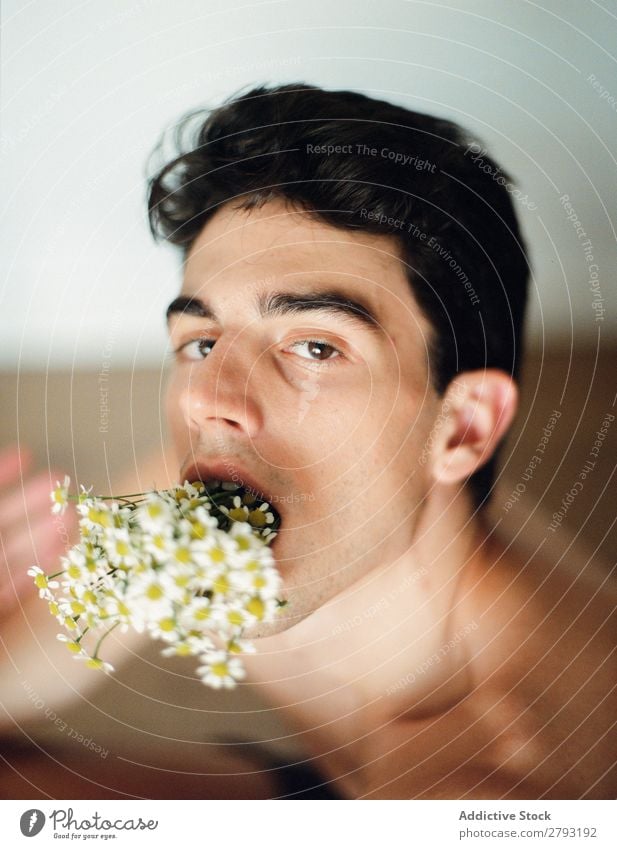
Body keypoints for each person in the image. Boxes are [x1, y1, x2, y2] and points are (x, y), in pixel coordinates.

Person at [2, 83, 615, 799]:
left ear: (462, 427)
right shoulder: (253, 479)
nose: (210, 400)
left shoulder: (497, 788)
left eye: (316, 347)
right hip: (323, 780)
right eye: (202, 340)